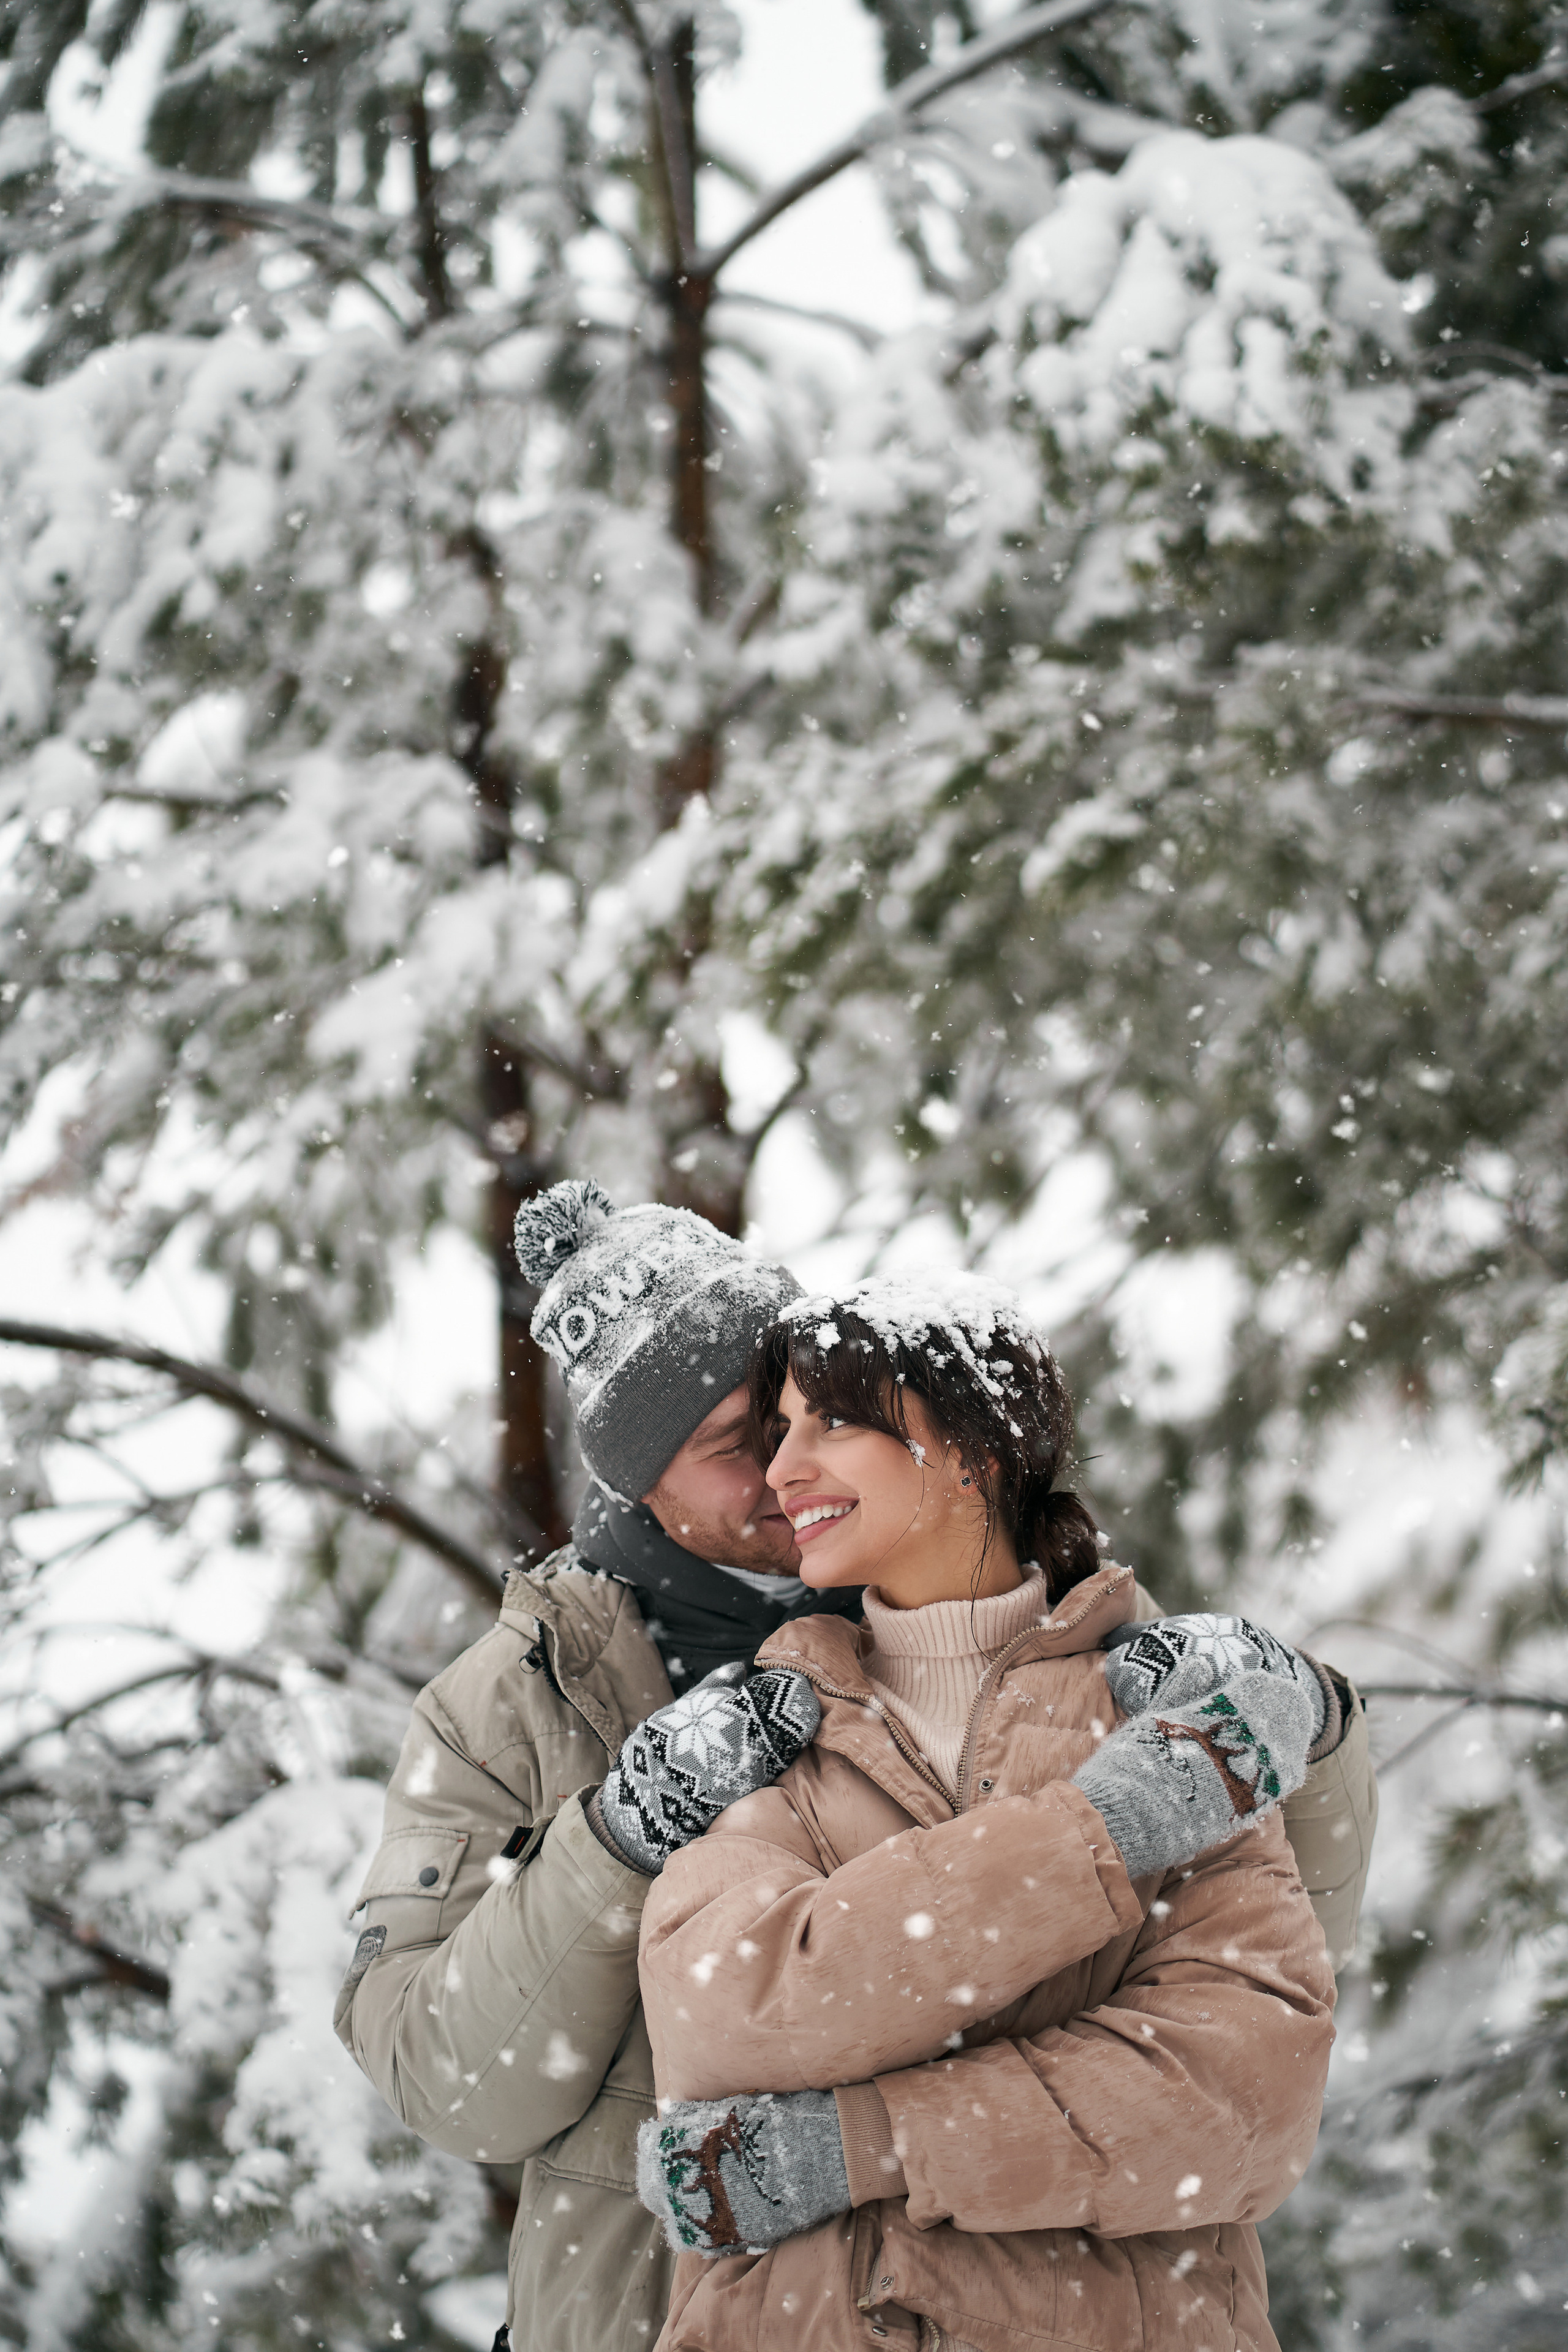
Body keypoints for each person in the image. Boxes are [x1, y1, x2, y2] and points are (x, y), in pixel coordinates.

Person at [334, 1183, 1376, 2352]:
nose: (786, 1465)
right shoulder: (510, 1704)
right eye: (738, 1445)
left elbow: (1281, 1989)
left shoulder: (1060, 1635)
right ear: (642, 1487)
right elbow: (451, 2085)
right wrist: (618, 1839)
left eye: (805, 1414)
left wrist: (1308, 1725)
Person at [635, 1274, 1337, 2352]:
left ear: (973, 1449)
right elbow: (728, 2016)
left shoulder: (1172, 1727)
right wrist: (1102, 1834)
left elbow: (1239, 2100)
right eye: (779, 1432)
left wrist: (860, 2143)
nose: (781, 1470)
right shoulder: (767, 1739)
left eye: (833, 1423)